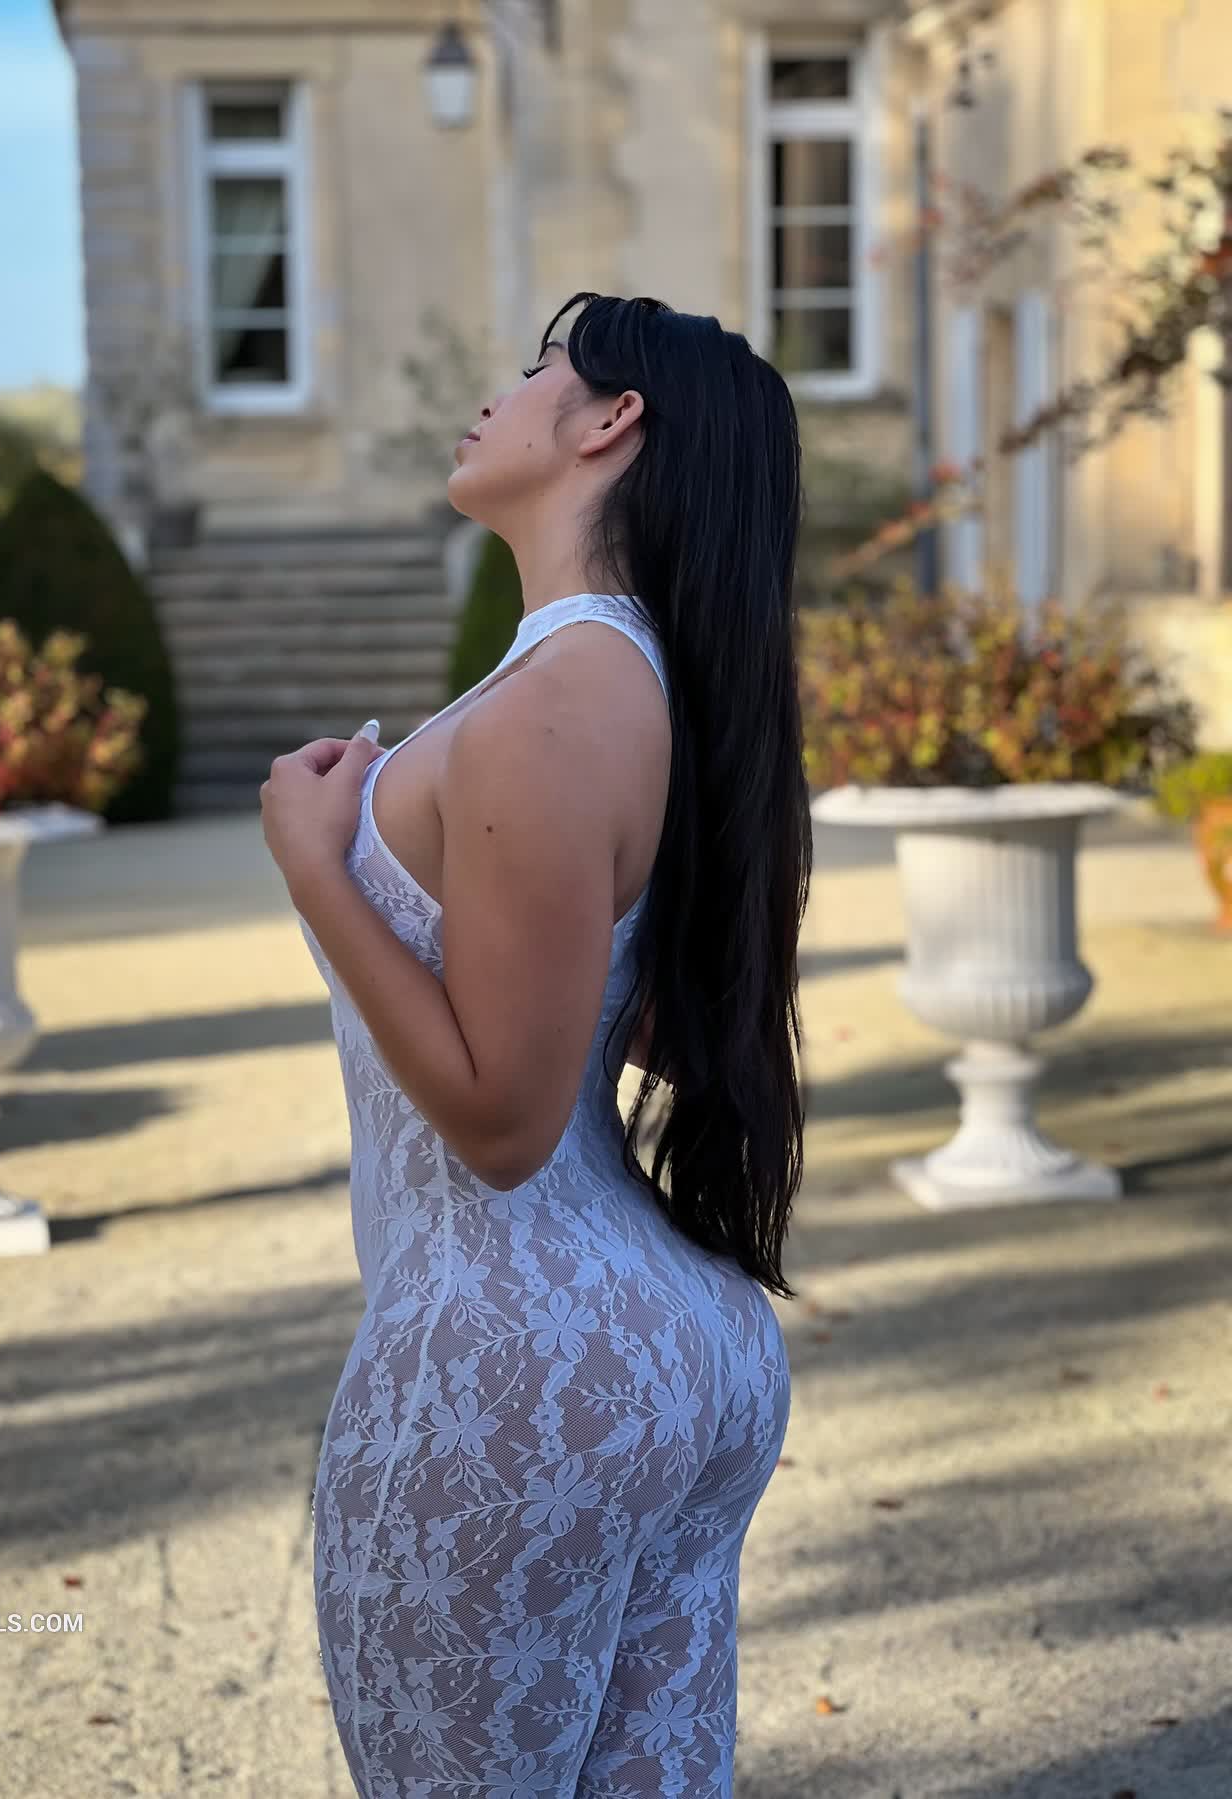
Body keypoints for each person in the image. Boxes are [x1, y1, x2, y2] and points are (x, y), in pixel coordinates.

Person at [261, 291, 810, 1795]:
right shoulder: (650, 690)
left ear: (611, 421)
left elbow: (502, 1125)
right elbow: (658, 1030)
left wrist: (315, 863)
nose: (496, 395)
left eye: (535, 370)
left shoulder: (553, 707)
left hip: (512, 1357)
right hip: (672, 1345)